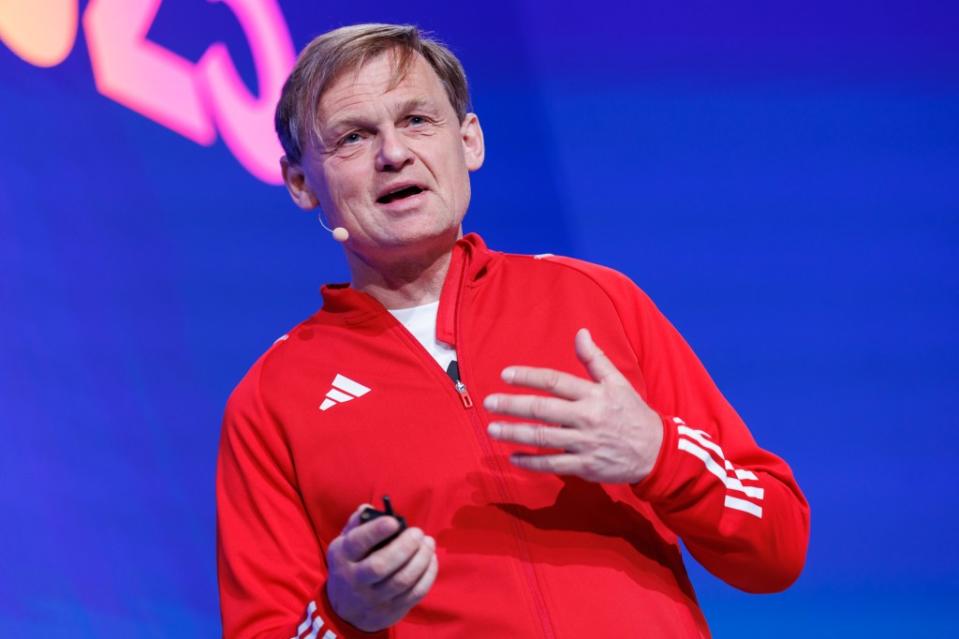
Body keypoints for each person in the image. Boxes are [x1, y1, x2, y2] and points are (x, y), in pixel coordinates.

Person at [216, 23, 810, 639]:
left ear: (469, 141)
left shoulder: (594, 299)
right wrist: (345, 615)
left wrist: (659, 454)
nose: (393, 153)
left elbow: (779, 545)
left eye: (418, 121)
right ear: (301, 183)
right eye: (354, 137)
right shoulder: (273, 400)